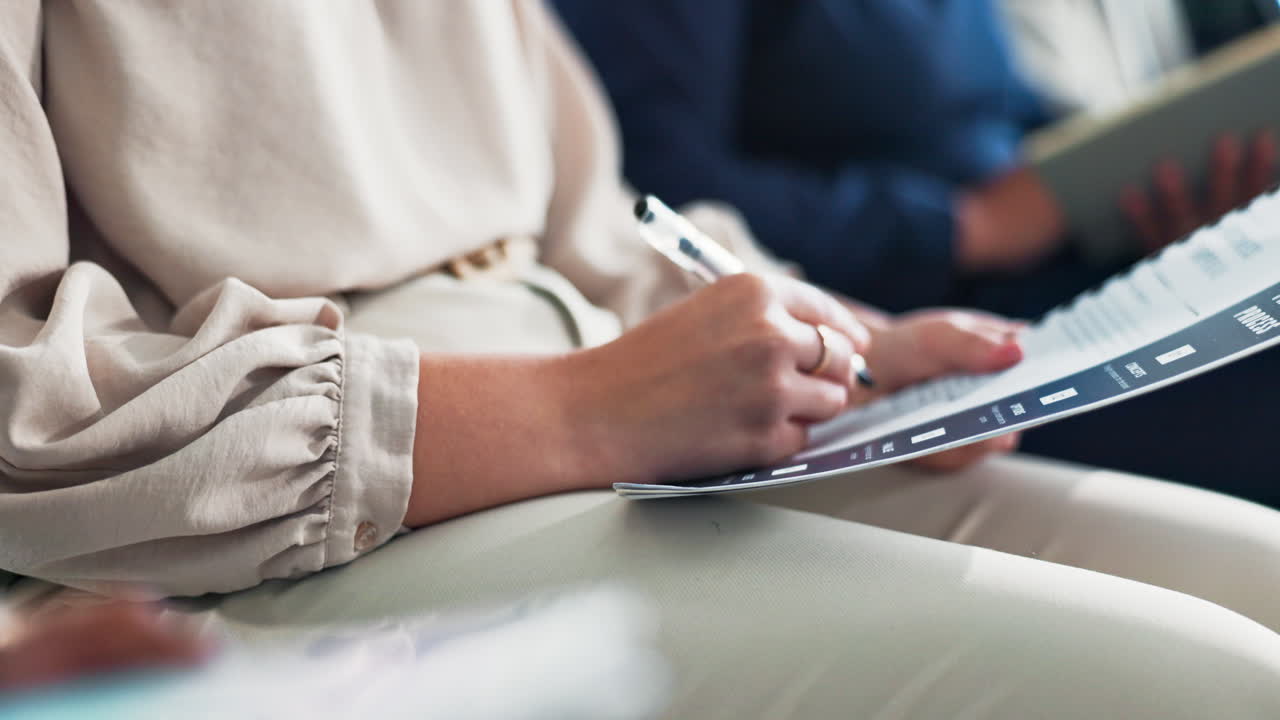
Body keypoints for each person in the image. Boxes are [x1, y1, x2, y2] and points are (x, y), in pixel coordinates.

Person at [4, 2, 1280, 716]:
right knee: (1210, 690)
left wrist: (841, 338)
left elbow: (600, 224)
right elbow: (25, 416)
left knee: (1263, 590)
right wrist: (578, 410)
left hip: (600, 421)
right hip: (292, 529)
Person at [551, 0, 1280, 493]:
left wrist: (1132, 192)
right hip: (897, 327)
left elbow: (994, 126)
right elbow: (648, 184)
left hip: (1059, 275)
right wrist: (964, 226)